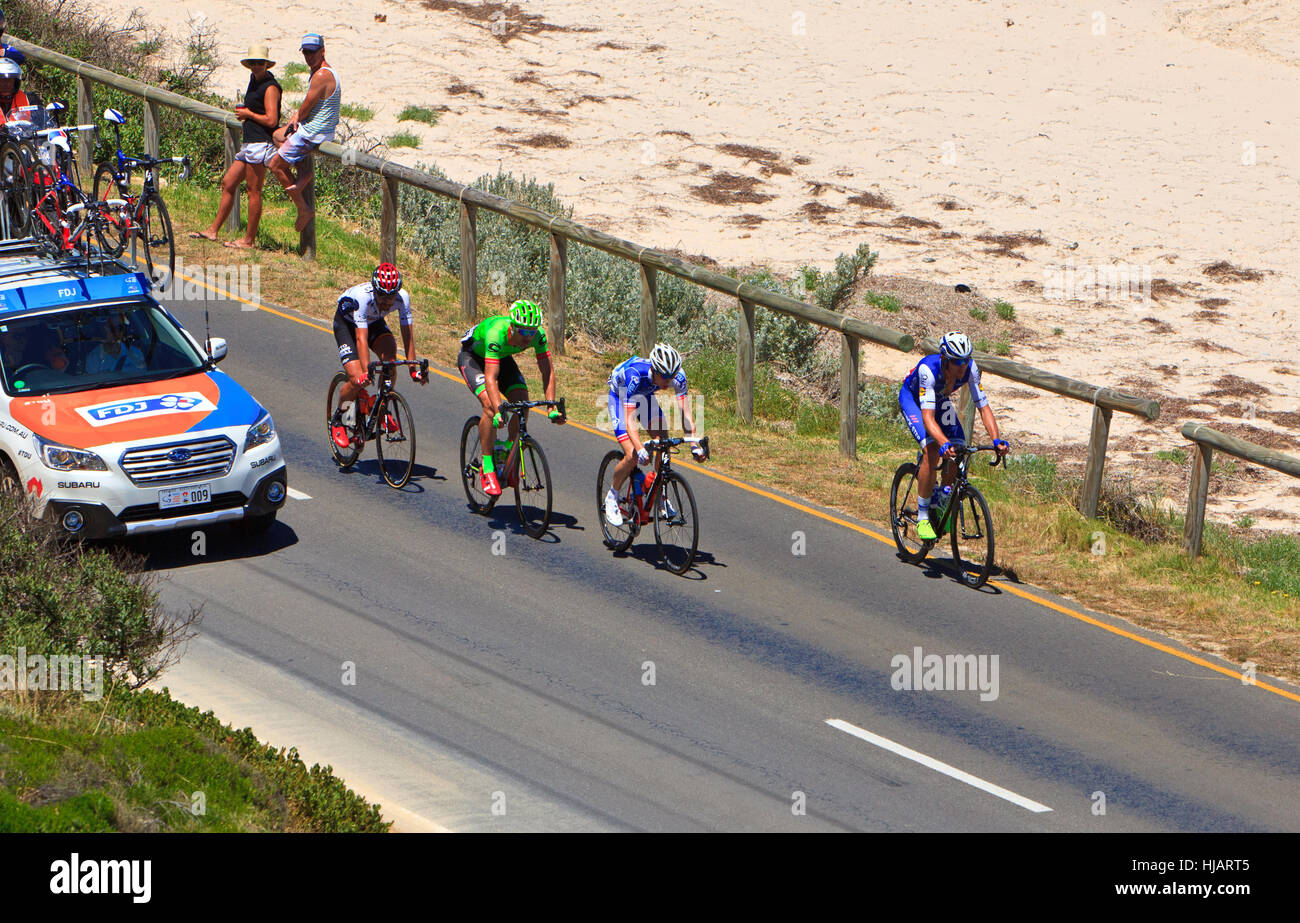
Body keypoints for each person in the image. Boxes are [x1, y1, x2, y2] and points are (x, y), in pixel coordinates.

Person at [898, 331, 1009, 541]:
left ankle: (940, 501)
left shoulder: (970, 369)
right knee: (932, 450)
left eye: (966, 360)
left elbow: (984, 407)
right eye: (958, 362)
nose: (963, 366)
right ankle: (922, 517)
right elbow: (928, 418)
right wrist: (942, 442)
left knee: (958, 451)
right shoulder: (928, 371)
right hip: (913, 400)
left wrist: (996, 440)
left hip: (938, 401)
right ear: (945, 360)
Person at [457, 300, 564, 497]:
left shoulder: (537, 335)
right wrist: (499, 410)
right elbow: (490, 378)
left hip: (502, 359)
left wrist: (551, 406)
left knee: (522, 401)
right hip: (473, 359)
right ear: (512, 326)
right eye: (523, 332)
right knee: (490, 406)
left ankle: (507, 451)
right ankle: (487, 466)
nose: (527, 337)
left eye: (531, 332)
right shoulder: (496, 333)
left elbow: (547, 370)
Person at [602, 343, 705, 526]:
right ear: (654, 370)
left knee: (663, 443)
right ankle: (612, 496)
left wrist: (694, 446)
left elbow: (686, 414)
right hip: (620, 396)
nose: (668, 382)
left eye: (671, 377)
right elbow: (629, 421)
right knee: (632, 455)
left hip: (645, 396)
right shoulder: (634, 375)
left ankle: (658, 494)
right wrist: (640, 449)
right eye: (664, 378)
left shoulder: (678, 376)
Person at [191, 45, 280, 247]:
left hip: (260, 143)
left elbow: (272, 120)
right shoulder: (254, 81)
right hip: (250, 143)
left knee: (253, 191)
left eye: (260, 63)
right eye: (253, 63)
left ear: (267, 64)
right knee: (228, 182)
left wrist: (248, 115)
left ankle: (249, 240)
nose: (256, 66)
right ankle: (213, 230)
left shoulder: (270, 87)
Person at [330, 263, 426, 449]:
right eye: (381, 295)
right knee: (358, 379)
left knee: (391, 359)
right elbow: (361, 339)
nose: (385, 301)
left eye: (390, 296)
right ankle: (338, 419)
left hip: (373, 323)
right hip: (347, 325)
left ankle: (381, 404)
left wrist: (413, 370)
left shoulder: (403, 298)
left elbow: (408, 335)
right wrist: (367, 372)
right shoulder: (362, 299)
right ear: (374, 290)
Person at [268, 33, 339, 234]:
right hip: (319, 129)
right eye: (305, 52)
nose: (308, 56)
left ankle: (303, 208)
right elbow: (306, 108)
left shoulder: (320, 76)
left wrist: (297, 120)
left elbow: (306, 108)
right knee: (277, 136)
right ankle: (302, 171)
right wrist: (295, 118)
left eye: (312, 52)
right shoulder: (324, 72)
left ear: (322, 51)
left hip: (314, 132)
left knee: (275, 165)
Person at [0, 57, 35, 124]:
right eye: (2, 81)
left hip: (22, 133)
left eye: (10, 81)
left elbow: (41, 124)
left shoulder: (30, 99)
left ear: (16, 82)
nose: (6, 84)